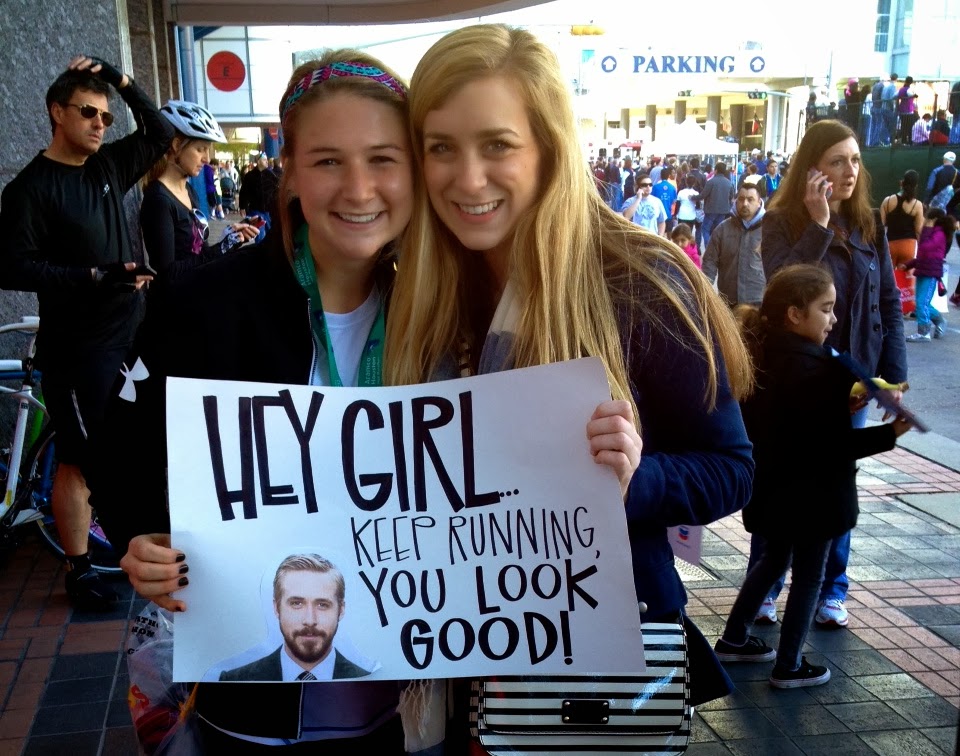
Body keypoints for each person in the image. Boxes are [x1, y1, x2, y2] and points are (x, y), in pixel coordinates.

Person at [383, 24, 756, 747]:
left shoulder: (642, 280)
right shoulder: (423, 287)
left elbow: (733, 468)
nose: (468, 178)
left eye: (497, 145)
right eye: (441, 147)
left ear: (549, 148)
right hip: (452, 652)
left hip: (595, 668)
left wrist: (635, 478)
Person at [107, 49, 424, 752]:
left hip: (396, 703)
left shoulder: (439, 313)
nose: (359, 188)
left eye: (383, 159)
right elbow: (122, 446)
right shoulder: (202, 301)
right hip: (240, 705)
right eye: (328, 160)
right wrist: (139, 536)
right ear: (291, 170)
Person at [0, 55, 173, 608]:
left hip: (131, 336)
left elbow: (161, 133)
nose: (101, 124)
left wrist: (122, 80)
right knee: (84, 459)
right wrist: (93, 276)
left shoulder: (107, 166)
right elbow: (12, 268)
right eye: (89, 113)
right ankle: (81, 570)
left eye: (107, 116)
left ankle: (132, 549)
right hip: (78, 350)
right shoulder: (29, 189)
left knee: (134, 442)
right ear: (57, 112)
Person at [714, 265, 910, 688]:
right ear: (794, 314)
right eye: (826, 308)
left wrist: (840, 409)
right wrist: (891, 433)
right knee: (809, 578)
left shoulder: (758, 354)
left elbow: (791, 426)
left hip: (772, 490)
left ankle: (733, 639)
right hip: (816, 498)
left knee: (772, 560)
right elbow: (833, 445)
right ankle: (789, 665)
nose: (833, 320)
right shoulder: (820, 370)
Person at [761, 119, 907, 628]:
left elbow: (888, 301)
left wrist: (892, 376)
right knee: (782, 477)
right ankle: (767, 582)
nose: (850, 171)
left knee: (838, 481)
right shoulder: (781, 222)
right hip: (795, 376)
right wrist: (818, 226)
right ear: (813, 170)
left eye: (855, 161)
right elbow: (780, 289)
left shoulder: (869, 223)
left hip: (852, 377)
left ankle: (832, 587)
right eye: (837, 161)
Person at [139, 100, 259, 283]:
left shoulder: (188, 191)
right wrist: (222, 247)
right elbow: (168, 273)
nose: (206, 159)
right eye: (200, 149)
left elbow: (198, 252)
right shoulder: (159, 200)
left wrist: (231, 237)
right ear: (176, 145)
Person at [219, 554, 371, 682]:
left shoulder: (370, 681)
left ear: (341, 610)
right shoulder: (233, 682)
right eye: (296, 603)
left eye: (322, 605)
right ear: (276, 608)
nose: (310, 620)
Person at [701, 183, 766, 307]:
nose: (745, 203)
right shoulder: (722, 229)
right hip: (728, 302)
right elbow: (709, 262)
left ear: (759, 202)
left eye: (750, 199)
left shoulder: (769, 230)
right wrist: (704, 292)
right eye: (741, 199)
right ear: (736, 201)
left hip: (758, 302)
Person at [900, 207, 955, 342]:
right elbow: (922, 254)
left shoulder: (939, 233)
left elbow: (925, 246)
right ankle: (939, 321)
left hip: (930, 273)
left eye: (927, 218)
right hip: (923, 270)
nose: (924, 221)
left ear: (934, 219)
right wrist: (908, 264)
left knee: (922, 303)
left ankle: (924, 332)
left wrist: (927, 229)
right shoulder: (933, 232)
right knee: (921, 302)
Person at [880, 169, 924, 269]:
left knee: (888, 276)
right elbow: (918, 230)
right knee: (903, 277)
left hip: (890, 245)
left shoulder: (887, 201)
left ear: (902, 182)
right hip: (908, 245)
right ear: (916, 186)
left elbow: (880, 226)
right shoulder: (917, 205)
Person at [700, 161, 737, 249]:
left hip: (711, 210)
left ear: (715, 170)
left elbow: (703, 195)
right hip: (723, 210)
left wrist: (693, 197)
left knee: (705, 229)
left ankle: (709, 248)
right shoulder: (729, 183)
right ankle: (717, 249)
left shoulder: (711, 182)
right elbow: (731, 197)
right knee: (718, 230)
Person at [238, 152, 279, 229]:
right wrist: (242, 206)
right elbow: (244, 192)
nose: (267, 161)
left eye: (266, 160)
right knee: (260, 232)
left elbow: (277, 190)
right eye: (264, 160)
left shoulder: (271, 175)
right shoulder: (249, 176)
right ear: (258, 161)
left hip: (269, 210)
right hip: (255, 209)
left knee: (269, 231)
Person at [675, 174, 702, 244]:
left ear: (686, 182)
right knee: (688, 233)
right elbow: (698, 206)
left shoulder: (681, 192)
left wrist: (675, 214)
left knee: (680, 233)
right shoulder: (696, 193)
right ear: (694, 183)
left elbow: (677, 205)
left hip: (682, 215)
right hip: (691, 216)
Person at [651, 165, 678, 233]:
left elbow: (651, 200)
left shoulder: (655, 187)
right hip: (668, 214)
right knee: (669, 234)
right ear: (668, 175)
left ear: (660, 175)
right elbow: (674, 201)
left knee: (659, 234)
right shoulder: (672, 187)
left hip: (658, 214)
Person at [897, 76, 918, 144]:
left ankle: (903, 141)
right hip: (908, 111)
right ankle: (909, 141)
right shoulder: (909, 90)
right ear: (911, 82)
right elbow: (912, 95)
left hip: (901, 110)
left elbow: (896, 96)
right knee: (910, 127)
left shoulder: (901, 89)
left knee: (903, 126)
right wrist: (915, 95)